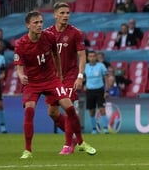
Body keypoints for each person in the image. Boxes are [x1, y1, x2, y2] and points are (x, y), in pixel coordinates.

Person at [14, 11, 91, 159]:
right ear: (28, 25)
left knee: (69, 107)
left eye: (41, 22)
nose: (39, 25)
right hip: (33, 82)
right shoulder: (20, 44)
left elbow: (56, 55)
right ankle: (28, 150)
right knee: (31, 111)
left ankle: (80, 142)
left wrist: (60, 75)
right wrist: (21, 75)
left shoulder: (49, 37)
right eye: (35, 23)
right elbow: (19, 65)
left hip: (51, 80)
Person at [45, 2, 94, 155]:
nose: (65, 15)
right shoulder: (47, 34)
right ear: (55, 15)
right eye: (62, 13)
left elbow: (82, 56)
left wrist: (80, 76)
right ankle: (73, 137)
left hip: (70, 75)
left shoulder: (75, 33)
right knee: (52, 112)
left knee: (68, 108)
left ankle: (67, 145)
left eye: (67, 13)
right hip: (53, 77)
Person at [84, 50, 110, 134]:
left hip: (99, 90)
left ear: (96, 57)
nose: (92, 58)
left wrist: (106, 91)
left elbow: (106, 79)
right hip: (90, 91)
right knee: (91, 111)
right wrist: (84, 84)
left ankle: (105, 129)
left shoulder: (101, 66)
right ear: (88, 58)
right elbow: (82, 78)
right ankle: (94, 129)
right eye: (90, 56)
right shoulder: (85, 67)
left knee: (102, 109)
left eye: (93, 56)